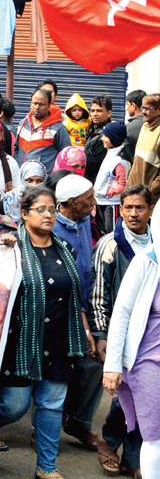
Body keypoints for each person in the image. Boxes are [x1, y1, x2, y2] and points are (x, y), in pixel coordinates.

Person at [0, 185, 90, 479]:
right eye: (41, 210)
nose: (49, 215)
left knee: (51, 405)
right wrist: (3, 249)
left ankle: (46, 468)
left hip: (59, 339)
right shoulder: (10, 249)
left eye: (52, 209)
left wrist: (84, 330)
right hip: (21, 342)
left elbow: (75, 294)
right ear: (24, 214)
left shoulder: (65, 247)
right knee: (14, 406)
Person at [91, 185, 151, 476]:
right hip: (122, 333)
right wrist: (101, 335)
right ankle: (108, 439)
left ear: (150, 211)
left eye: (140, 207)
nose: (133, 213)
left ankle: (134, 457)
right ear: (120, 209)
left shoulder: (156, 243)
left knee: (149, 396)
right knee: (126, 393)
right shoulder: (110, 244)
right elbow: (99, 295)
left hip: (151, 333)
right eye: (127, 208)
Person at [103, 202, 160, 479]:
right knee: (155, 437)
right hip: (148, 361)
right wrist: (112, 365)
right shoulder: (146, 262)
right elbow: (122, 314)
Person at [49, 174, 104, 453]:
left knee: (94, 362)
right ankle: (42, 430)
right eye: (88, 199)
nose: (94, 204)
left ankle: (78, 422)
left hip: (87, 304)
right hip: (60, 309)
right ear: (71, 202)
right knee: (55, 370)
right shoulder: (51, 228)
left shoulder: (85, 222)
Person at [19, 88, 72, 172]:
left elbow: (67, 156)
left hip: (44, 181)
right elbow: (16, 148)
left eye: (41, 104)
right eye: (34, 103)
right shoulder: (23, 123)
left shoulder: (58, 129)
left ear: (48, 106)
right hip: (22, 177)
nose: (37, 107)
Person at [129, 93, 160, 205]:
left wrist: (149, 191)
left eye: (148, 109)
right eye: (143, 108)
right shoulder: (145, 126)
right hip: (135, 194)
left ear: (158, 111)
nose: (143, 112)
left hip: (149, 198)